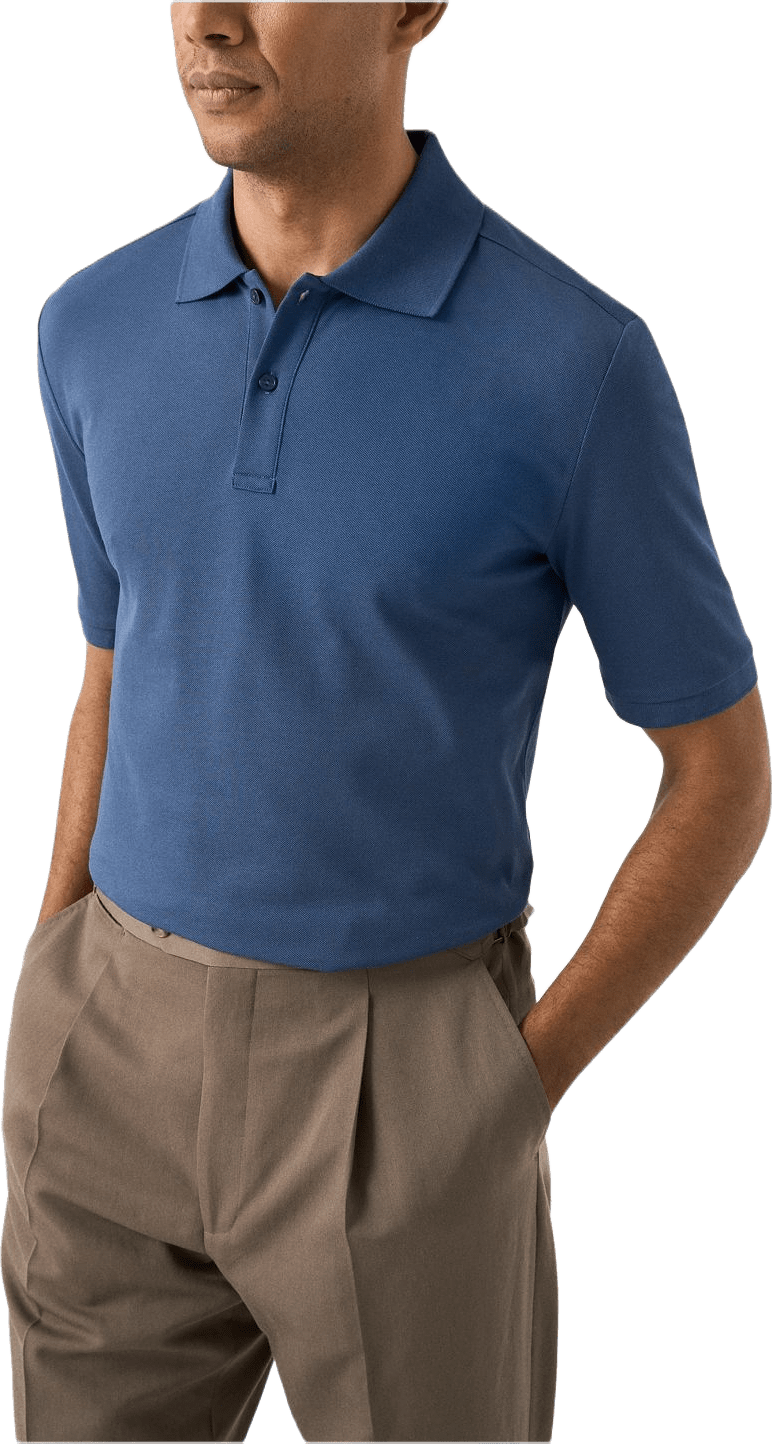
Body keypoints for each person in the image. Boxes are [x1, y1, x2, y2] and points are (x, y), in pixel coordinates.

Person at [1, 3, 769, 1442]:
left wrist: (507, 1087)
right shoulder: (87, 325)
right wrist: (55, 965)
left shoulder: (573, 363)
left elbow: (720, 770)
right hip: (104, 1052)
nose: (207, 22)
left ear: (414, 5)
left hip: (399, 1078)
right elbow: (114, 658)